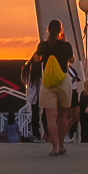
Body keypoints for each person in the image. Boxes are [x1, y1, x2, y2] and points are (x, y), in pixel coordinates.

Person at [26, 19, 75, 157]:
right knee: (62, 116)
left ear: (48, 30)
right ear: (61, 30)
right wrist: (65, 43)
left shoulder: (43, 45)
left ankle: (55, 148)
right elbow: (72, 60)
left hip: (48, 82)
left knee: (51, 117)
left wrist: (40, 50)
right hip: (63, 81)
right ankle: (62, 145)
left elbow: (36, 59)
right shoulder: (66, 45)